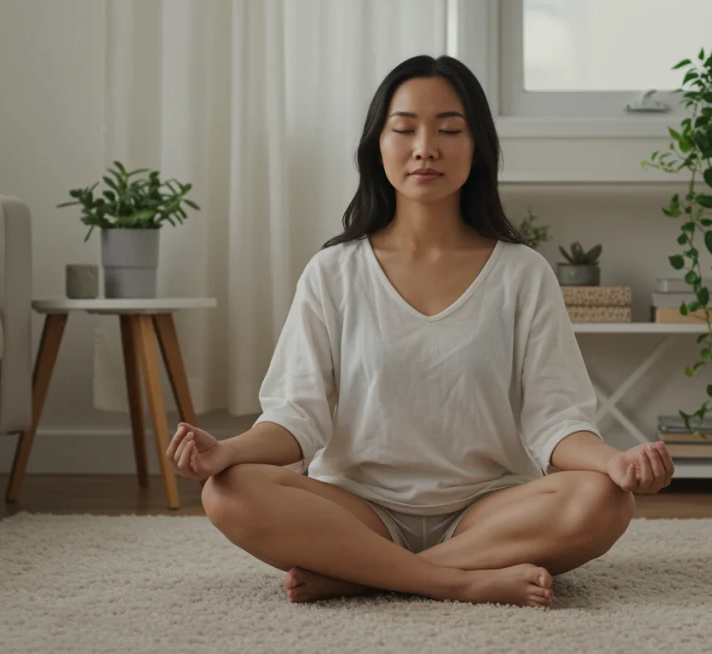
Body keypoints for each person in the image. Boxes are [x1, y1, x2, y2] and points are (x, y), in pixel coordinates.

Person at [165, 54, 674, 609]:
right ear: (377, 146)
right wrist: (226, 452)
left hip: (490, 509)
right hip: (356, 509)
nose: (425, 147)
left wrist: (615, 463)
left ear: (476, 147)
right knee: (230, 491)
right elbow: (295, 415)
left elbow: (556, 421)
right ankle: (459, 581)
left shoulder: (523, 273)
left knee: (604, 500)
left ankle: (362, 576)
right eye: (404, 129)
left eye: (449, 130)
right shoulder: (333, 272)